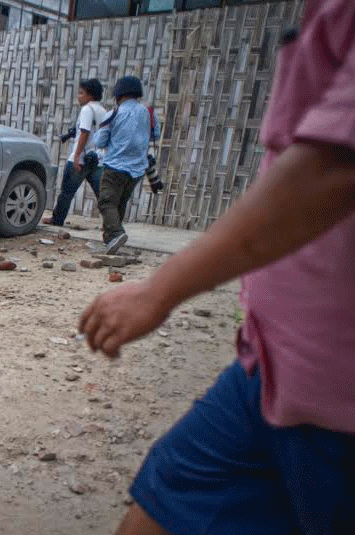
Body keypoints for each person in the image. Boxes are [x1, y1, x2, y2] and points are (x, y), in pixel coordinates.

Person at [79, 1, 355, 533]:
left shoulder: (114, 113)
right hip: (266, 369)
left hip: (339, 402)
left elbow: (331, 169)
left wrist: (160, 290)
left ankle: (113, 236)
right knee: (149, 516)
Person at [93, 76, 159, 254]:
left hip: (115, 166)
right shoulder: (148, 112)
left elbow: (99, 141)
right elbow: (156, 134)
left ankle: (115, 233)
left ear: (118, 94)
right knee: (119, 203)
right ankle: (111, 241)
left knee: (106, 202)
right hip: (137, 170)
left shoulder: (114, 113)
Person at [43, 79, 108, 226]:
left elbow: (84, 133)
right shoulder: (103, 111)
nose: (78, 96)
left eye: (81, 93)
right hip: (98, 160)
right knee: (102, 196)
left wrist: (77, 156)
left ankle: (57, 219)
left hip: (82, 159)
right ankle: (110, 224)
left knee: (66, 192)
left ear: (90, 95)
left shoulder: (87, 109)